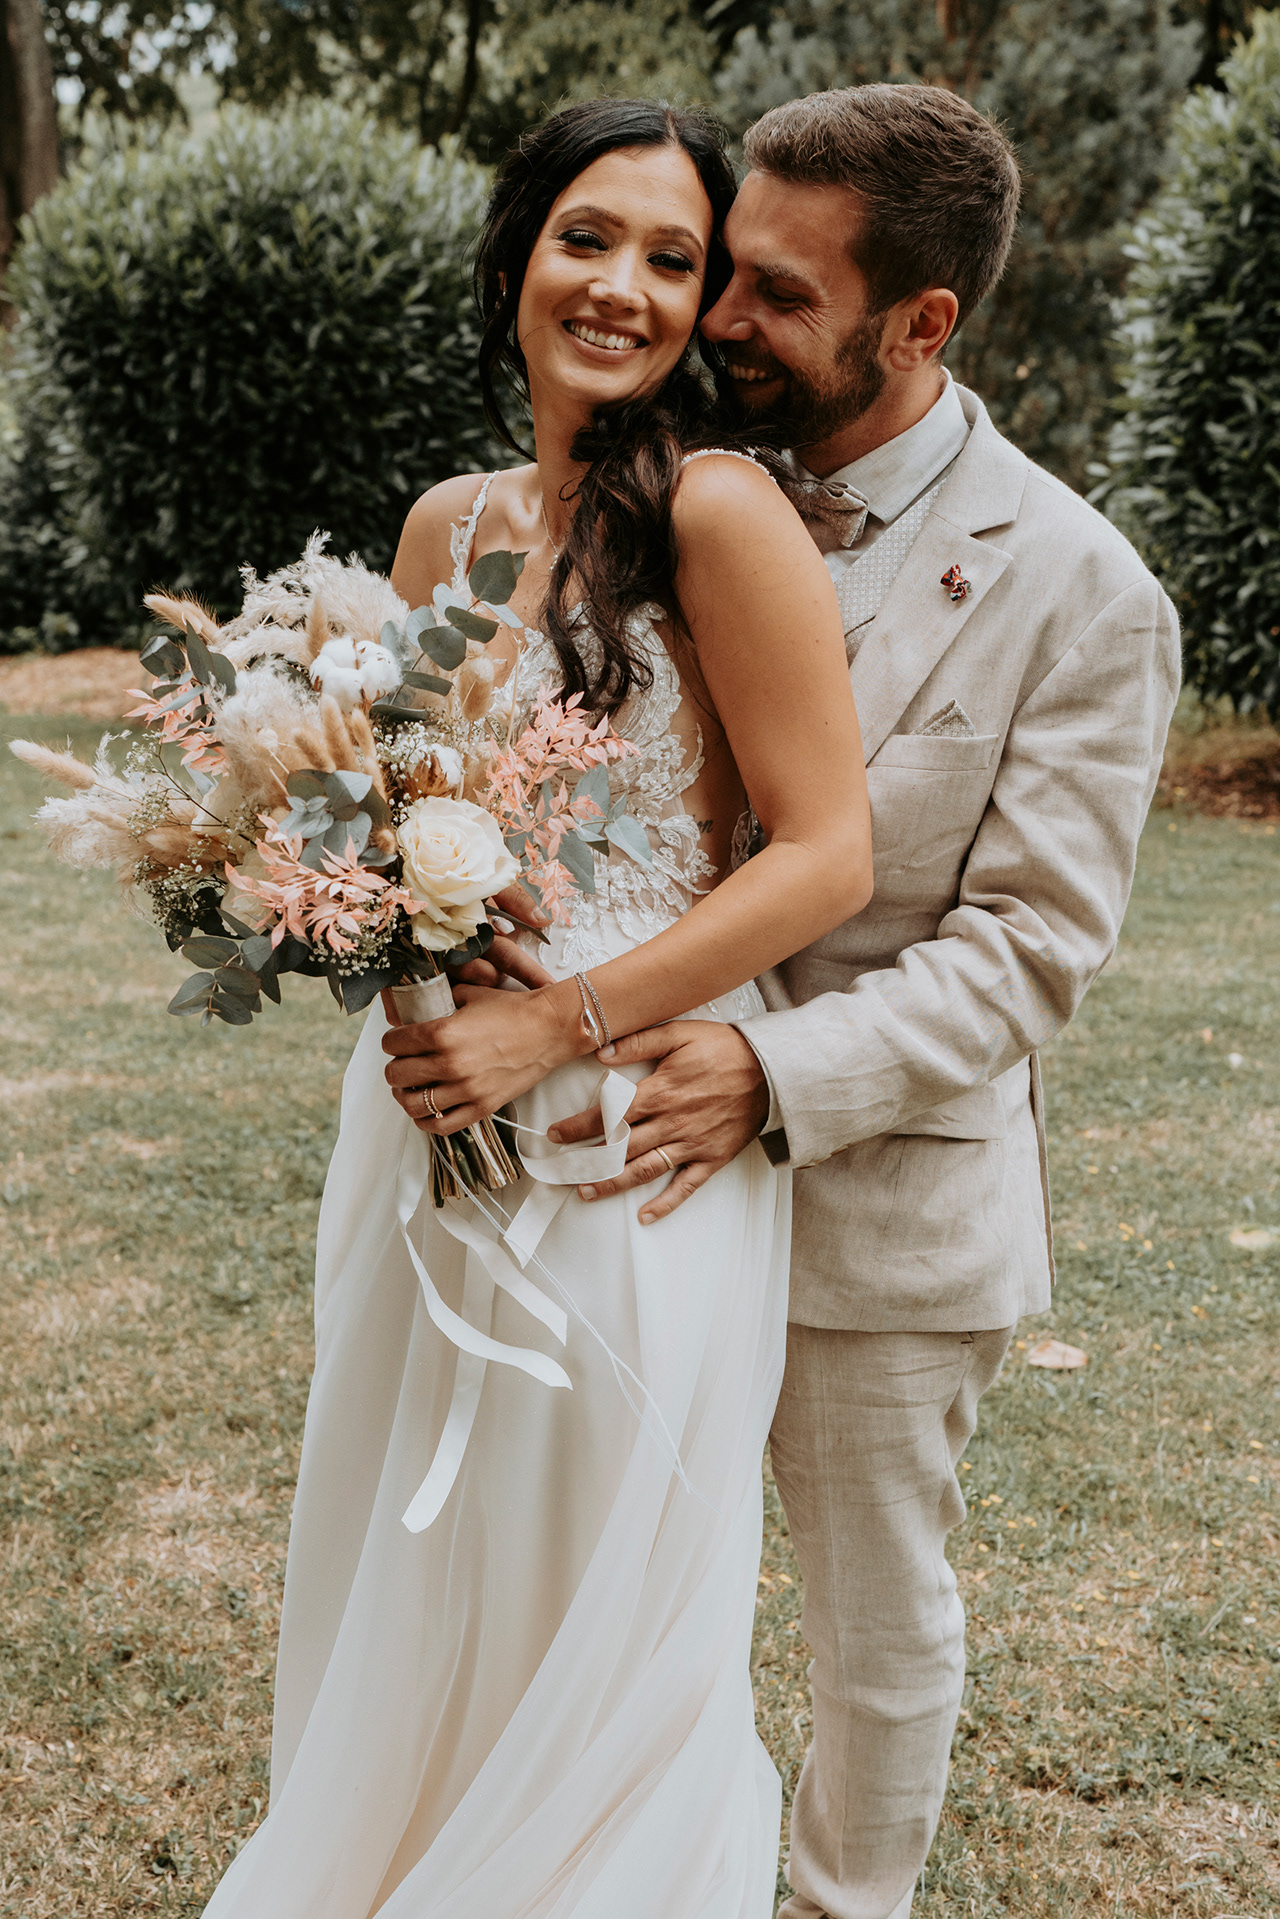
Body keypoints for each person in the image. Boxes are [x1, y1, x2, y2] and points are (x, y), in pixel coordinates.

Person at [200, 99, 872, 1918]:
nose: (627, 288)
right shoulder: (448, 526)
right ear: (516, 262)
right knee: (416, 1551)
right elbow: (404, 802)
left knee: (597, 1588)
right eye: (590, 237)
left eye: (674, 258)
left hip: (629, 1131)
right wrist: (331, 906)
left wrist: (554, 1024)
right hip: (429, 1120)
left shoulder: (727, 517)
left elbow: (823, 856)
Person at [542, 85, 1182, 1919]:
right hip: (616, 1184)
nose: (715, 319)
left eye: (773, 293)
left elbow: (1031, 949)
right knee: (596, 1581)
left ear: (922, 326)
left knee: (871, 1621)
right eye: (720, 267)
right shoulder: (651, 484)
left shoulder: (1080, 590)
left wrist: (767, 1065)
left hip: (877, 1202)